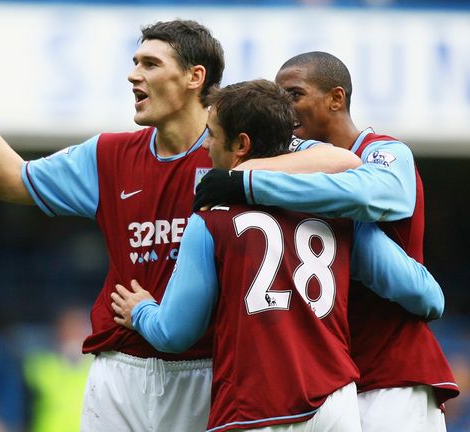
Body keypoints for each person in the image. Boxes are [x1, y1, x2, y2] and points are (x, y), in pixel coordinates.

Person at [0, 22, 358, 431]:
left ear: (194, 77)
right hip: (119, 369)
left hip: (206, 369)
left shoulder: (236, 147)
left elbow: (342, 163)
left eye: (150, 64)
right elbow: (13, 181)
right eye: (134, 63)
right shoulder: (108, 155)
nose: (134, 76)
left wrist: (238, 178)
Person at [111, 79, 445, 431]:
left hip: (254, 406)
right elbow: (425, 294)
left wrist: (142, 312)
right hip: (335, 403)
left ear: (241, 144)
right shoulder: (338, 213)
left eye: (211, 133)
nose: (205, 144)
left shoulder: (211, 218)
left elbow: (174, 334)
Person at [193, 52, 458, 431]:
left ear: (336, 98)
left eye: (295, 94)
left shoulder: (384, 152)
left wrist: (246, 183)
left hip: (392, 372)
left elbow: (382, 192)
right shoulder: (295, 160)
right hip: (330, 384)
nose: (286, 107)